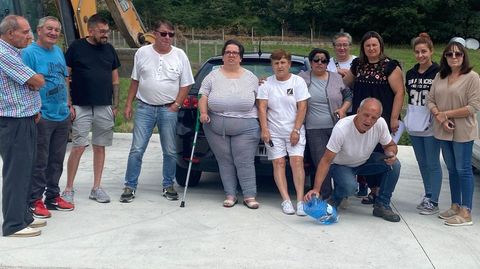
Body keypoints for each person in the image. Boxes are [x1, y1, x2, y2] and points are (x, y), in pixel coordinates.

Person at [120, 19, 194, 202]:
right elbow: (135, 81)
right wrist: (128, 104)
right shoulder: (142, 53)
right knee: (137, 149)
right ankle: (130, 186)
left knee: (169, 150)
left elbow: (186, 84)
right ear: (155, 34)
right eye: (163, 33)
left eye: (171, 34)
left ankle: (168, 185)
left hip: (168, 110)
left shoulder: (180, 55)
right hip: (144, 107)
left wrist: (176, 105)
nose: (167, 37)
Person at [305, 98, 402, 222]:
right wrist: (316, 189)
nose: (369, 120)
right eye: (366, 115)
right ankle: (335, 198)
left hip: (365, 161)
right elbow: (325, 160)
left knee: (395, 164)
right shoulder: (342, 128)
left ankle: (382, 205)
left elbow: (390, 145)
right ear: (358, 111)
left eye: (373, 118)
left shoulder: (380, 123)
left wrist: (391, 153)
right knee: (350, 187)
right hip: (341, 165)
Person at [63, 14, 121, 204]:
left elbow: (116, 80)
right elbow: (66, 77)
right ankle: (69, 188)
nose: (106, 35)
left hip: (104, 106)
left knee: (100, 147)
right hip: (81, 105)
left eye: (107, 31)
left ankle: (96, 188)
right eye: (102, 31)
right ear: (91, 30)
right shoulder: (76, 48)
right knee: (78, 146)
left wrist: (115, 105)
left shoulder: (110, 50)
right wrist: (68, 102)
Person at [21, 16, 75, 218]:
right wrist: (33, 109)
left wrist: (68, 103)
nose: (53, 33)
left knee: (56, 160)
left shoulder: (59, 52)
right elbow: (24, 83)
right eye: (49, 29)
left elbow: (64, 79)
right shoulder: (28, 53)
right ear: (39, 30)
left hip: (61, 114)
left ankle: (53, 197)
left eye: (57, 30)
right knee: (40, 161)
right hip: (42, 115)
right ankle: (35, 200)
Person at [343, 31, 405, 205]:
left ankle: (380, 192)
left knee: (380, 154)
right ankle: (373, 190)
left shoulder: (390, 66)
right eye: (368, 45)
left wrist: (394, 118)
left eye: (374, 45)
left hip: (382, 119)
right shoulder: (358, 65)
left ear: (380, 46)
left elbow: (400, 92)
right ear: (363, 47)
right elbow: (344, 83)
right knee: (363, 152)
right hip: (361, 119)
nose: (371, 48)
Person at [198, 40, 260, 208]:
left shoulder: (251, 78)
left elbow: (261, 102)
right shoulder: (212, 76)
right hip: (215, 126)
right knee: (224, 161)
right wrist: (203, 113)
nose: (231, 55)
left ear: (240, 57)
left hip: (246, 127)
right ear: (223, 56)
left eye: (235, 53)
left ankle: (249, 195)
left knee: (244, 161)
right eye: (228, 52)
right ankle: (230, 195)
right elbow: (202, 96)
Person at [0, 15, 46, 237]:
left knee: (26, 170)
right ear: (11, 33)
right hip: (13, 122)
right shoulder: (3, 54)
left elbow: (29, 83)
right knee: (16, 172)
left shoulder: (13, 53)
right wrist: (35, 80)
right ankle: (14, 224)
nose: (30, 36)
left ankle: (24, 216)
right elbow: (38, 81)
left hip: (24, 118)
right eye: (26, 32)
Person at [427, 42, 480, 226]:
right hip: (443, 130)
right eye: (450, 54)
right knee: (452, 170)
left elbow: (473, 107)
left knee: (463, 169)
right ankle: (455, 205)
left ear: (464, 56)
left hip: (463, 131)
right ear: (445, 57)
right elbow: (430, 100)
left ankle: (466, 211)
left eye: (458, 54)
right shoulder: (440, 76)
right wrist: (440, 118)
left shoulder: (472, 78)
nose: (454, 57)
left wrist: (446, 114)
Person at [257, 49, 310, 216]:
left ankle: (300, 201)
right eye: (276, 63)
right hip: (274, 132)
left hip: (294, 130)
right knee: (278, 163)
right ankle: (286, 200)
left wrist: (296, 129)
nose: (280, 66)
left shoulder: (298, 82)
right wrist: (264, 129)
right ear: (272, 66)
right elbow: (262, 107)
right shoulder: (266, 84)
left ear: (289, 64)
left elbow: (302, 107)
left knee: (296, 162)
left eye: (283, 62)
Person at [298, 48, 352, 199]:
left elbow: (348, 96)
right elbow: (284, 81)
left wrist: (342, 109)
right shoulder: (301, 78)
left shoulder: (336, 78)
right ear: (310, 62)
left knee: (340, 161)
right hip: (313, 128)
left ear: (328, 63)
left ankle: (343, 193)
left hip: (337, 127)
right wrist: (263, 80)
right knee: (322, 162)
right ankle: (326, 195)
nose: (320, 63)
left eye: (324, 60)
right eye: (316, 60)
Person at [404, 33, 442, 215]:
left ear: (431, 51)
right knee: (422, 162)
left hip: (432, 122)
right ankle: (428, 194)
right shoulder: (410, 73)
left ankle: (433, 200)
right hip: (415, 122)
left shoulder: (439, 72)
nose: (421, 55)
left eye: (424, 51)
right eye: (417, 52)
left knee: (433, 162)